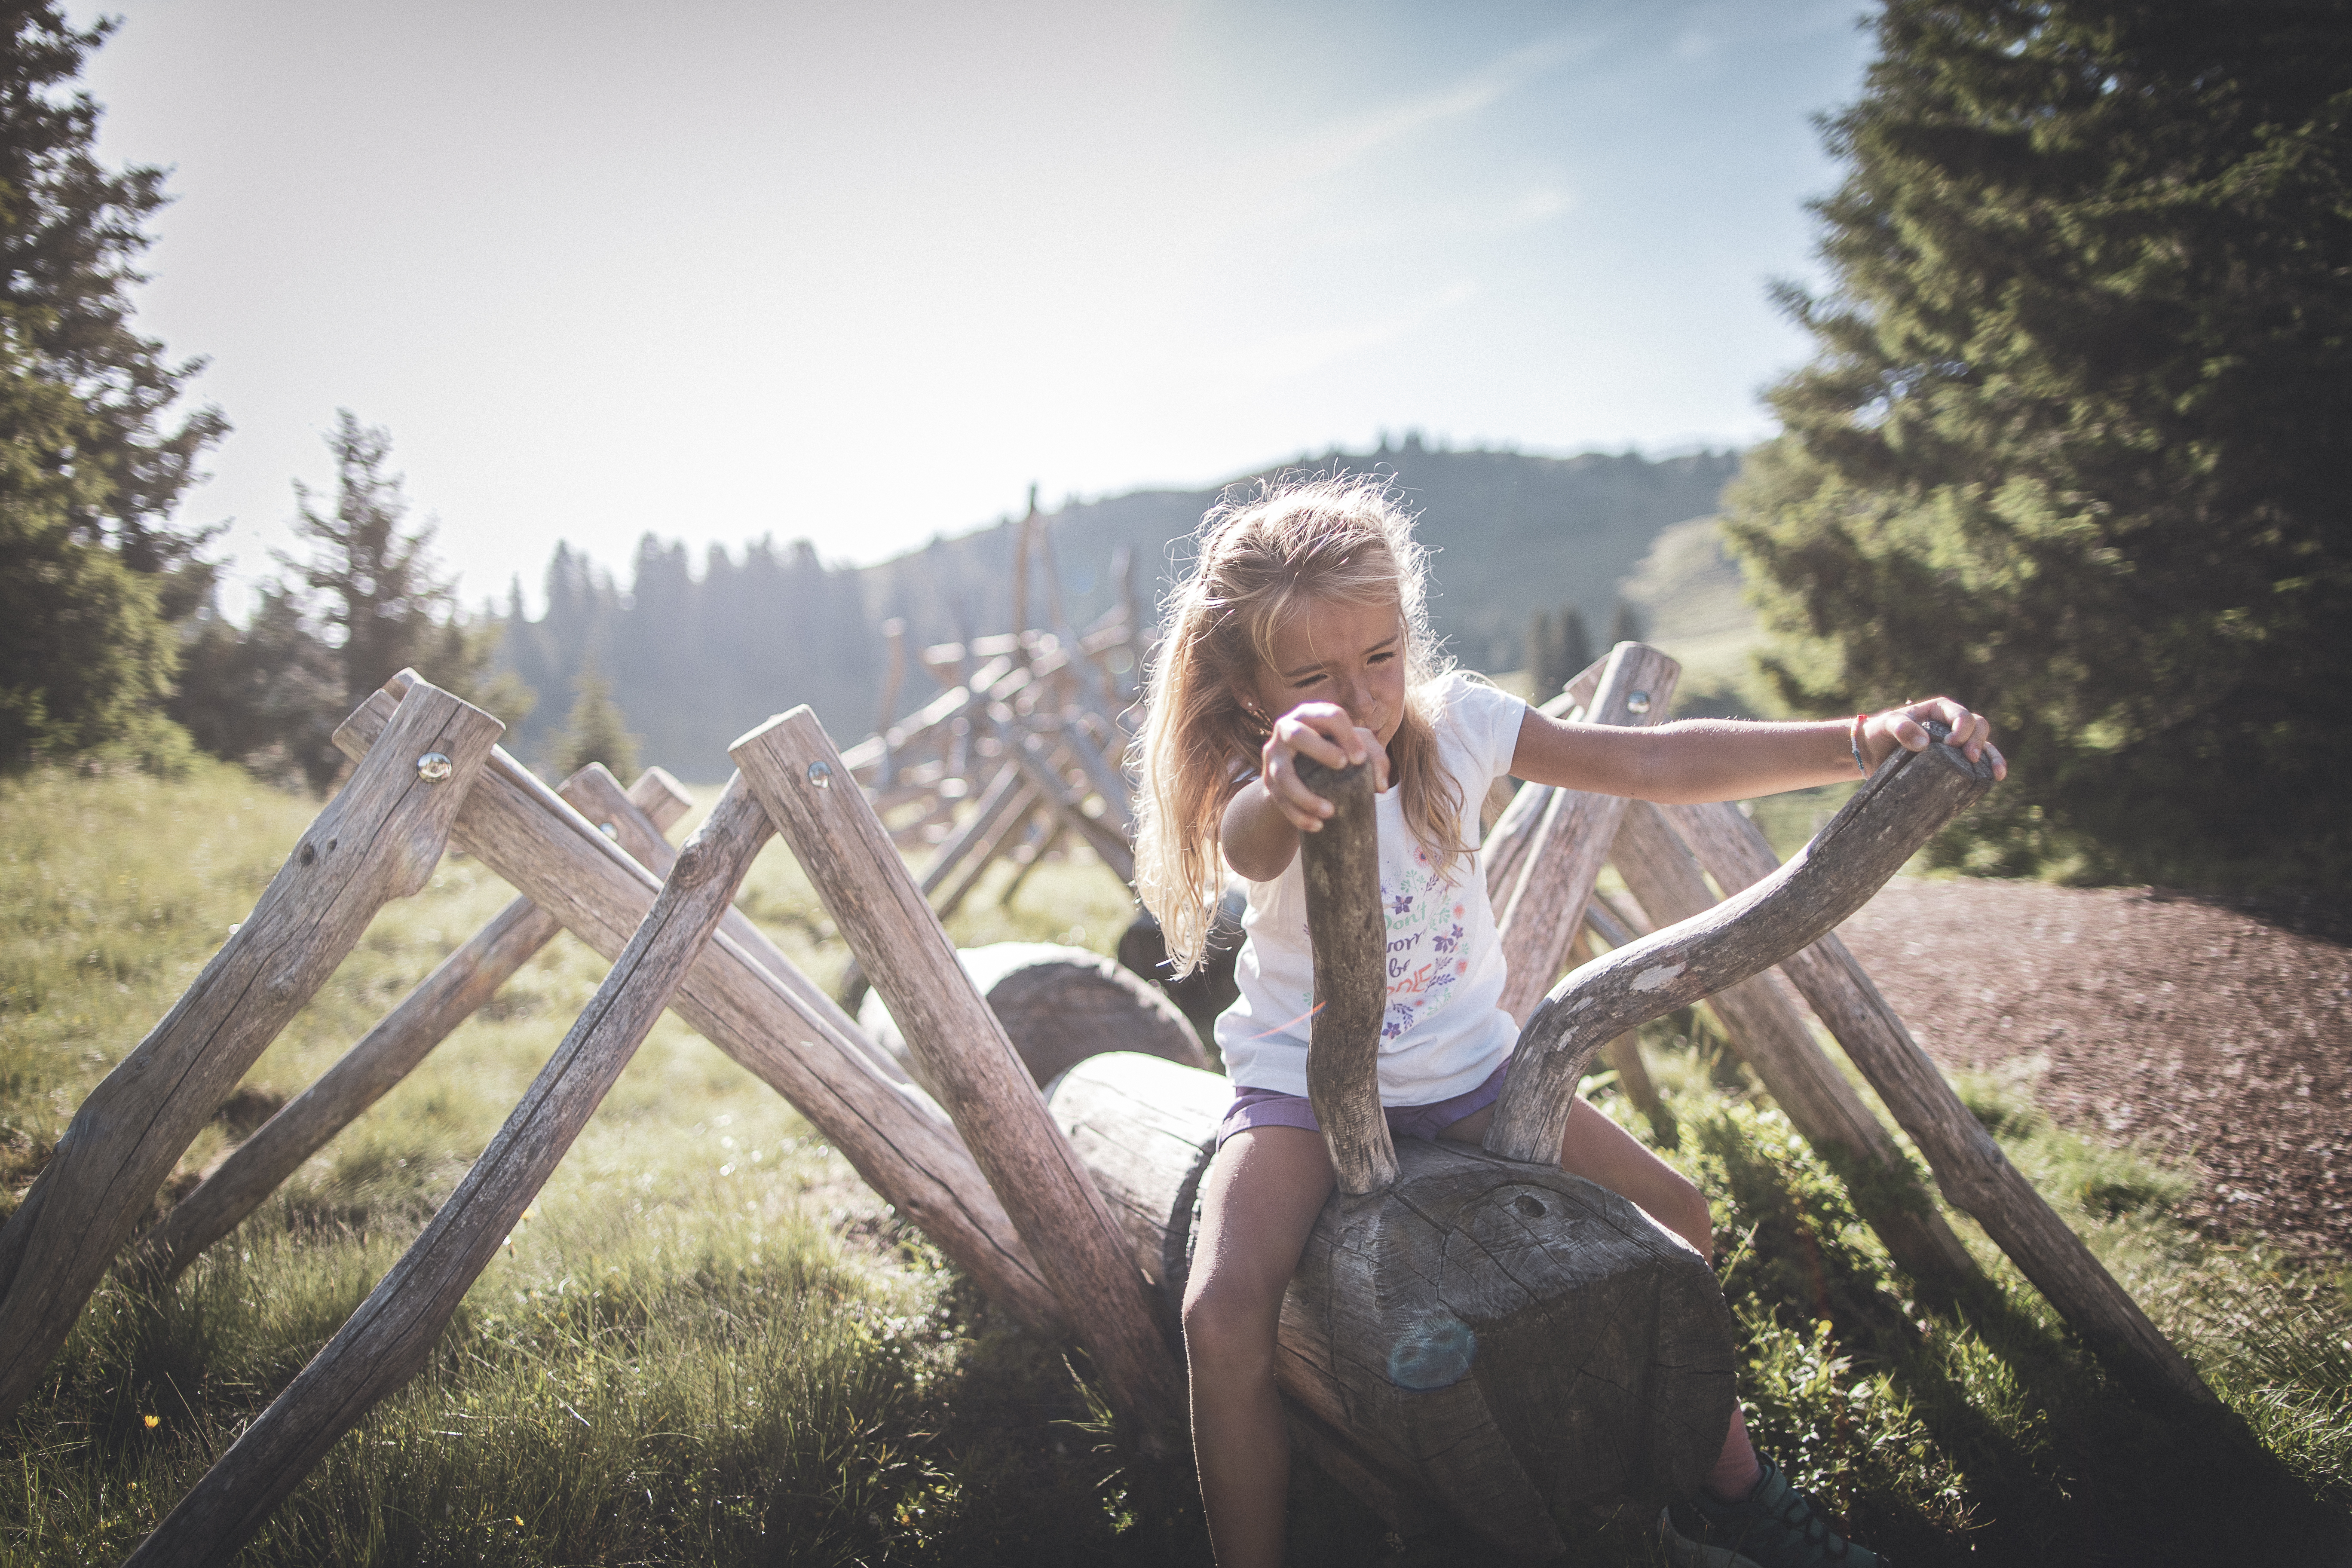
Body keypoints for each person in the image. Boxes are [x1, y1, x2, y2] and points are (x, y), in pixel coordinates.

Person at [1130, 476, 2003, 1568]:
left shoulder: (1463, 728)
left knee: (1682, 1220)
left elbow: (1649, 761)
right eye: (1312, 676)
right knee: (1220, 1313)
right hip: (1301, 1092)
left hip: (1478, 1078)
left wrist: (1860, 737)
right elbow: (1255, 845)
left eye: (1381, 657)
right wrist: (1288, 779)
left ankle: (1725, 1492)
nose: (1359, 696)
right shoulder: (1254, 775)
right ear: (1253, 693)